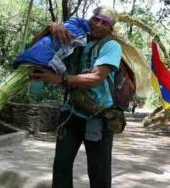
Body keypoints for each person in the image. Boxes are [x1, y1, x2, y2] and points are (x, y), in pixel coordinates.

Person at [32, 6, 122, 188]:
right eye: (96, 19)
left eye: (105, 23)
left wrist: (61, 79)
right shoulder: (76, 38)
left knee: (99, 174)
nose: (98, 24)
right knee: (61, 168)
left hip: (99, 117)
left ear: (110, 28)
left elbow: (97, 77)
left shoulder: (112, 46)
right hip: (71, 113)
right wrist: (51, 28)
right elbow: (34, 48)